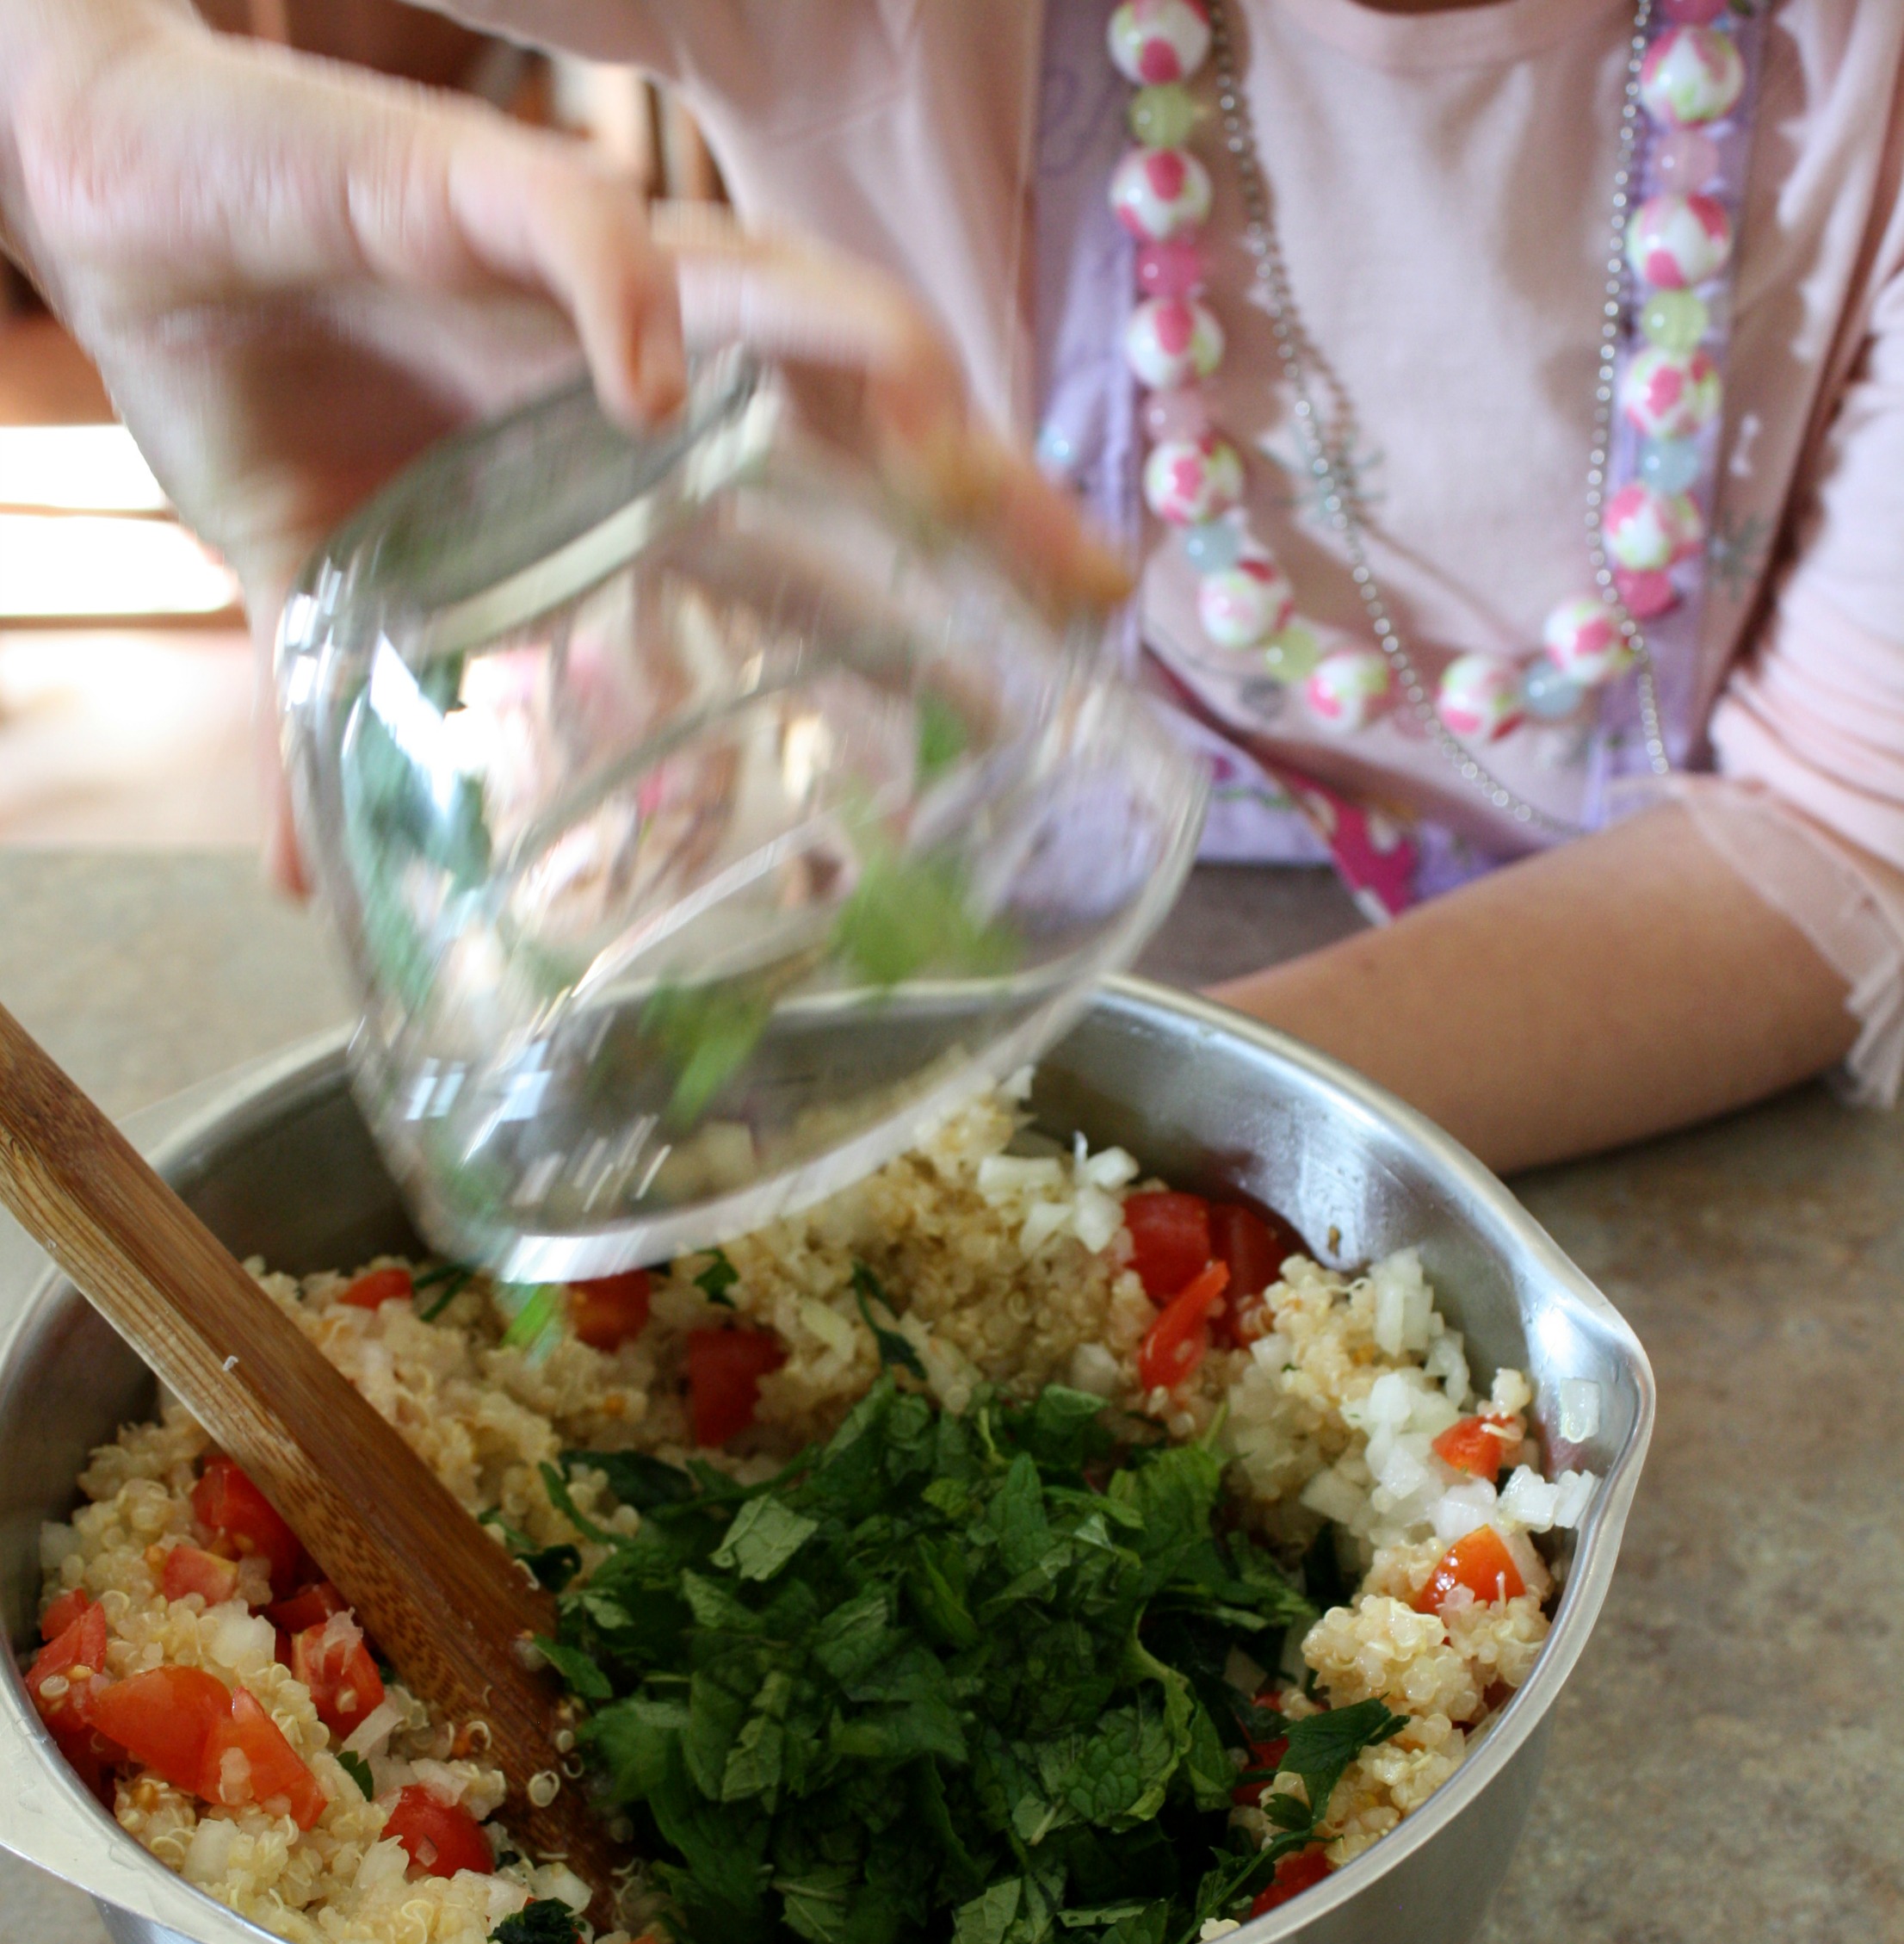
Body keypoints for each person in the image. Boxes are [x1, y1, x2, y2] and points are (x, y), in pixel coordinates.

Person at [2, 0, 1896, 1175]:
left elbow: (1841, 835)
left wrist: (1026, 1144)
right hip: (934, 940)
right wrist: (61, 103)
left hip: (1630, 1072)